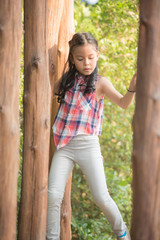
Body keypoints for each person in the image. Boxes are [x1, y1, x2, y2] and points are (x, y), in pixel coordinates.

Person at [46, 32, 136, 240]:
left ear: (97, 55)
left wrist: (132, 88)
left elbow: (123, 103)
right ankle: (51, 237)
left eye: (90, 57)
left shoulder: (101, 83)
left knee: (101, 197)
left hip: (88, 145)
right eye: (80, 58)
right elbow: (49, 92)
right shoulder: (66, 81)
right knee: (53, 196)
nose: (86, 63)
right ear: (72, 59)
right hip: (64, 146)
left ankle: (123, 234)